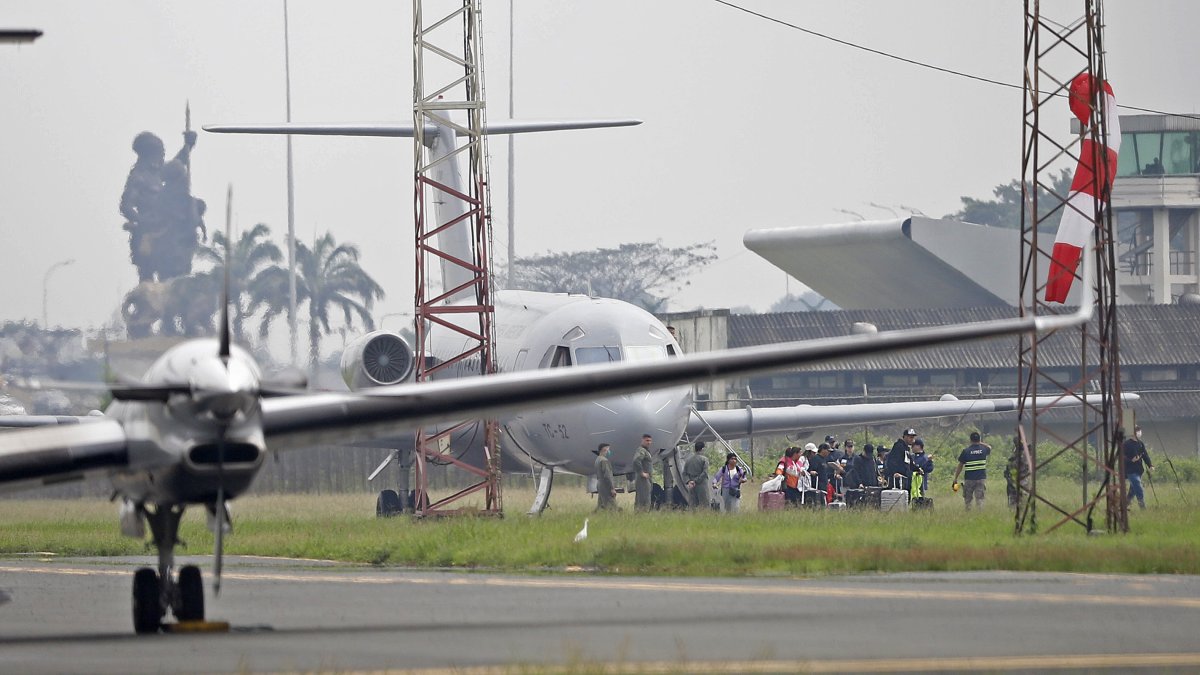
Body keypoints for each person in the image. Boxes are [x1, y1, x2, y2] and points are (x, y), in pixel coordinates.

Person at [952, 431, 991, 510]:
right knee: (980, 499)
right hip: (981, 478)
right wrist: (980, 443)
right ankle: (980, 514)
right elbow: (989, 447)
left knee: (968, 499)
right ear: (979, 440)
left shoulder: (966, 451)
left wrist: (955, 478)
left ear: (970, 440)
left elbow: (960, 465)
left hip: (969, 478)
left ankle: (968, 513)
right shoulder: (984, 450)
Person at [1122, 425, 1154, 509]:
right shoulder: (1126, 444)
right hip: (1130, 470)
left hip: (1139, 470)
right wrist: (1130, 460)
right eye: (1137, 430)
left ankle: (1125, 505)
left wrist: (1150, 465)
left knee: (1132, 490)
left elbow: (1145, 455)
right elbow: (1122, 456)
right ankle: (1142, 505)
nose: (1139, 432)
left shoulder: (1140, 444)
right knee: (1137, 484)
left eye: (1139, 430)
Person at [681, 441, 711, 510]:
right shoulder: (704, 459)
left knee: (692, 505)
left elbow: (684, 473)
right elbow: (705, 473)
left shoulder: (688, 460)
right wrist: (696, 481)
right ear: (702, 449)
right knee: (705, 505)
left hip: (691, 486)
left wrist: (689, 481)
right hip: (702, 485)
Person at [632, 433, 654, 511]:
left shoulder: (646, 451)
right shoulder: (641, 450)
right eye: (647, 440)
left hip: (646, 479)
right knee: (644, 500)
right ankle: (642, 515)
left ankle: (641, 516)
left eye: (650, 441)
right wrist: (641, 473)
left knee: (644, 498)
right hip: (642, 479)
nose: (649, 442)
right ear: (642, 440)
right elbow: (636, 460)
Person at [594, 443, 617, 511]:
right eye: (608, 450)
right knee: (612, 506)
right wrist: (612, 488)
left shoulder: (597, 459)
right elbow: (608, 476)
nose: (609, 452)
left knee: (601, 505)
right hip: (605, 485)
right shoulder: (604, 461)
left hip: (599, 483)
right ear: (604, 449)